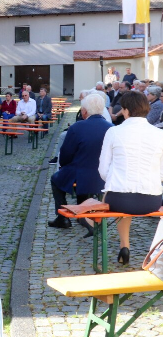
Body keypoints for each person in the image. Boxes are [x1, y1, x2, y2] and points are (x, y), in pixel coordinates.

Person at [99, 91, 163, 265]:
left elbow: (103, 170)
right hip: (152, 199)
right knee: (126, 194)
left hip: (119, 198)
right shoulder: (159, 134)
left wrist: (116, 180)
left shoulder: (114, 132)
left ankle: (125, 245)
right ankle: (128, 246)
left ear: (126, 111)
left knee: (117, 196)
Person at [47, 94, 112, 233]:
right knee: (79, 174)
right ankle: (82, 213)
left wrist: (64, 165)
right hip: (105, 175)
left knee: (55, 179)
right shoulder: (111, 127)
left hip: (81, 173)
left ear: (84, 111)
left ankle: (62, 217)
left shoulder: (77, 127)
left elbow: (65, 155)